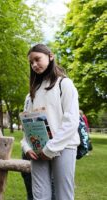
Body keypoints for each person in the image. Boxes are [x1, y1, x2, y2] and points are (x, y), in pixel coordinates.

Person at [21, 44, 80, 200]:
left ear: (50, 56)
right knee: (40, 196)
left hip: (64, 147)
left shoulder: (64, 84)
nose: (34, 65)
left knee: (63, 195)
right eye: (31, 62)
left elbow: (71, 121)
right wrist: (27, 147)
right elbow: (27, 127)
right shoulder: (30, 95)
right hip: (37, 150)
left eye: (37, 59)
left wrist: (51, 149)